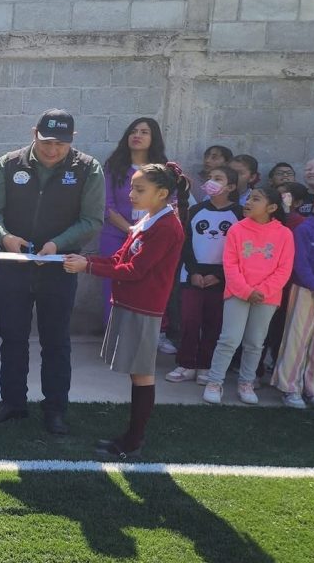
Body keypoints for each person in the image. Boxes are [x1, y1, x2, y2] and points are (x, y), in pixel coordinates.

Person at [0, 109, 105, 435]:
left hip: (58, 267)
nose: (52, 150)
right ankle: (13, 403)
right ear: (35, 133)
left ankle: (55, 409)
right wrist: (5, 238)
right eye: (47, 141)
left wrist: (57, 244)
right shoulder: (9, 163)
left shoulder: (88, 168)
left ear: (71, 141)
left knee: (56, 341)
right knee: (12, 338)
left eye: (61, 144)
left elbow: (92, 220)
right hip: (13, 266)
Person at [64, 163, 187, 460]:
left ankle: (133, 441)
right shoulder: (149, 219)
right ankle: (131, 437)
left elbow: (136, 269)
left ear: (162, 193)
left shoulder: (167, 226)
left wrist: (88, 266)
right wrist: (87, 260)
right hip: (130, 303)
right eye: (132, 187)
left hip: (143, 308)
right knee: (137, 374)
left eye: (139, 189)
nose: (131, 194)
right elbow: (120, 257)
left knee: (142, 375)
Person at [202, 185, 294, 405]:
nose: (249, 203)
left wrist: (261, 292)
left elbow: (284, 269)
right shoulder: (237, 229)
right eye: (249, 198)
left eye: (256, 199)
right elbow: (230, 264)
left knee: (255, 342)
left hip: (267, 298)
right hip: (237, 293)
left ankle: (246, 382)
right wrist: (246, 290)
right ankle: (215, 382)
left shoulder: (284, 234)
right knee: (229, 339)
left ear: (271, 207)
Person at [169, 166, 242, 384]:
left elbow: (238, 249)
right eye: (209, 177)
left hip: (222, 277)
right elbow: (186, 241)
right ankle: (186, 363)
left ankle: (205, 365)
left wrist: (218, 275)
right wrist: (193, 271)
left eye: (218, 179)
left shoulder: (239, 214)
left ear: (230, 187)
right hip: (192, 275)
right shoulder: (196, 210)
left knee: (214, 323)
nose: (212, 181)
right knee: (189, 320)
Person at [99, 118, 169, 326]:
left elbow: (169, 204)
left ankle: (152, 334)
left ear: (153, 138)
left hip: (151, 238)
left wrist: (145, 232)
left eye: (144, 132)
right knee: (112, 285)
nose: (137, 135)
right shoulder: (114, 167)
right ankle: (112, 335)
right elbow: (106, 205)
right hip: (115, 236)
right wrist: (131, 230)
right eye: (133, 131)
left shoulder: (163, 170)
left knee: (149, 285)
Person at [272, 184, 314, 409]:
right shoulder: (305, 228)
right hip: (305, 290)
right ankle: (290, 387)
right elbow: (301, 264)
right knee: (297, 338)